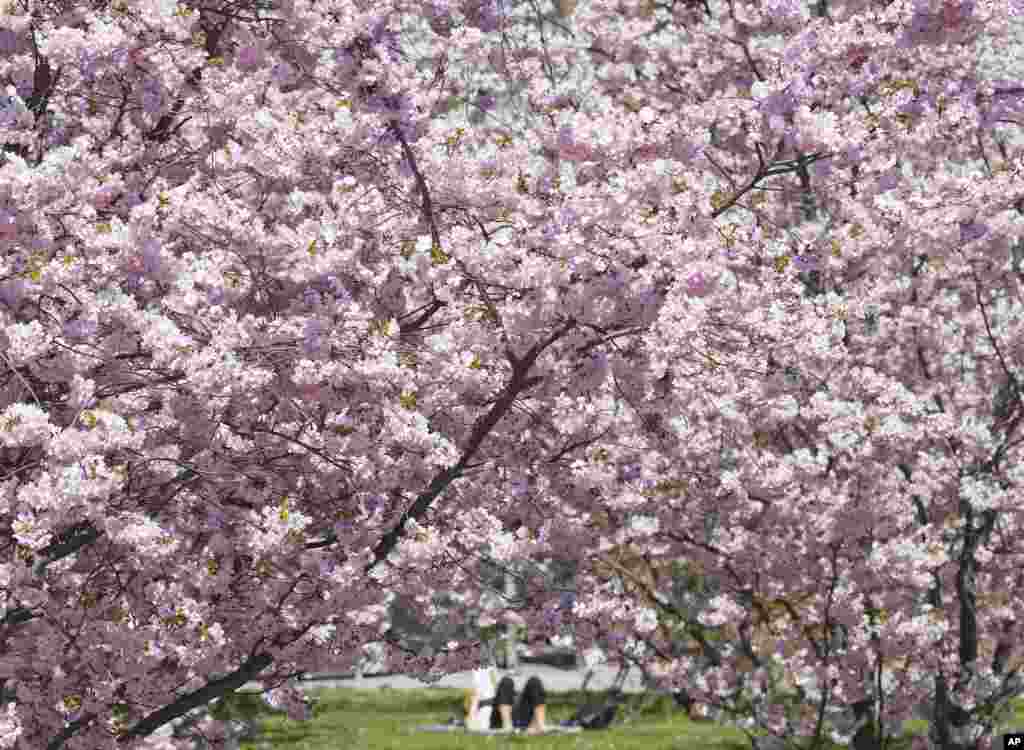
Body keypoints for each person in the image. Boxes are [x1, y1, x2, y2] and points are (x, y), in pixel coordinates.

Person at [467, 674, 548, 734]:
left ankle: (540, 725)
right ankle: (507, 726)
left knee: (534, 681)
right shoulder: (478, 702)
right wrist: (474, 703)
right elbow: (471, 726)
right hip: (500, 721)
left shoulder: (500, 696)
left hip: (521, 719)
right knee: (506, 681)